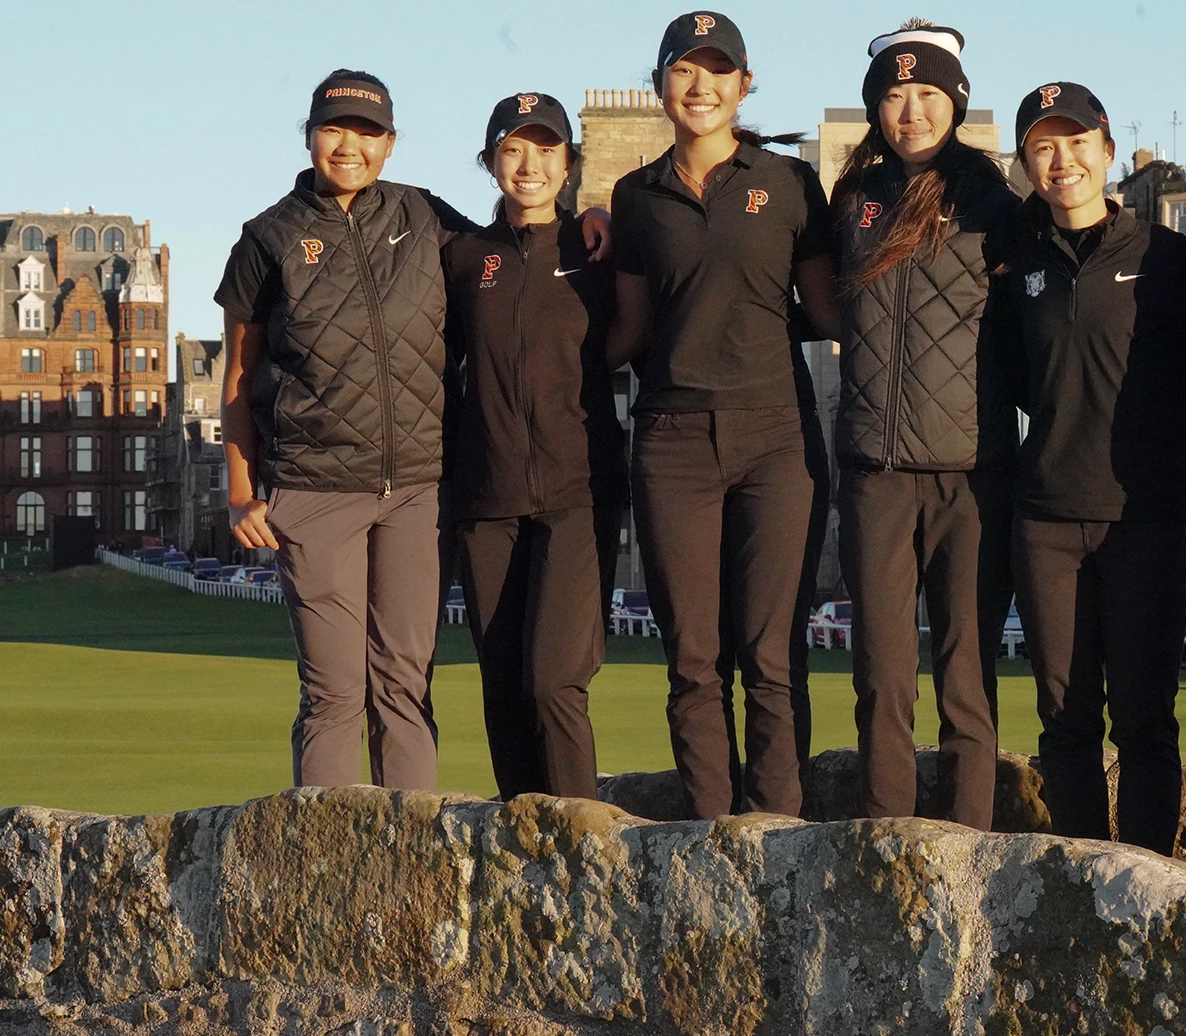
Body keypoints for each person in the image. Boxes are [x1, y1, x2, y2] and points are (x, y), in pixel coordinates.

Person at [216, 70, 485, 790]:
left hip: (418, 492)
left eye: (367, 132)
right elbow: (238, 379)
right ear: (309, 137)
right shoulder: (267, 239)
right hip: (314, 491)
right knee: (335, 692)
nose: (349, 145)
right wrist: (241, 490)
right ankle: (328, 879)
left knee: (404, 684)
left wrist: (590, 222)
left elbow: (506, 261)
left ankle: (414, 872)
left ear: (390, 145)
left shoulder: (426, 215)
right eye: (334, 128)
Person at [608, 11, 839, 820]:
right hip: (671, 441)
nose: (699, 86)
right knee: (694, 661)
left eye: (718, 70)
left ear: (745, 85)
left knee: (771, 657)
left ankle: (779, 837)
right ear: (661, 86)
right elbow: (629, 330)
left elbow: (828, 309)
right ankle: (712, 838)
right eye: (683, 70)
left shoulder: (787, 184)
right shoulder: (634, 197)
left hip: (777, 436)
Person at [990, 82, 1186, 856]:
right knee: (1067, 719)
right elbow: (1020, 377)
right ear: (1026, 165)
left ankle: (1147, 882)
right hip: (1045, 519)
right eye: (1043, 147)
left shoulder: (1168, 259)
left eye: (1077, 142)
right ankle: (1083, 878)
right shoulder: (1017, 269)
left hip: (1144, 518)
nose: (1063, 160)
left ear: (1108, 151)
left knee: (1146, 719)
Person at [829, 21, 1021, 830]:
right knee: (881, 676)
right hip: (875, 471)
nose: (910, 111)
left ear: (957, 101)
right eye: (894, 95)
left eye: (928, 94)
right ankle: (886, 840)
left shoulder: (993, 199)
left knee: (967, 676)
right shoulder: (852, 199)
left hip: (974, 473)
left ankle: (967, 850)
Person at [442, 93, 628, 801]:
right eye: (513, 150)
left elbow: (636, 331)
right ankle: (521, 844)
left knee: (554, 681)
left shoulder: (597, 248)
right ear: (491, 162)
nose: (529, 165)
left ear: (569, 161)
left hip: (578, 492)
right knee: (503, 688)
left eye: (546, 150)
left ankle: (581, 844)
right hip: (486, 499)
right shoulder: (465, 258)